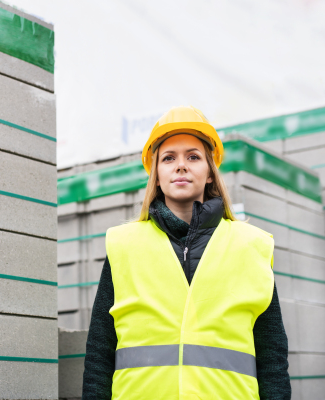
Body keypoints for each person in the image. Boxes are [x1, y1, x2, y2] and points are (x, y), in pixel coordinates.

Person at [82, 106, 291, 400]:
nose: (181, 166)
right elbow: (100, 353)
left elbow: (272, 357)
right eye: (168, 158)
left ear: (209, 173)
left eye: (193, 156)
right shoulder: (124, 245)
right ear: (156, 176)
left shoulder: (251, 245)